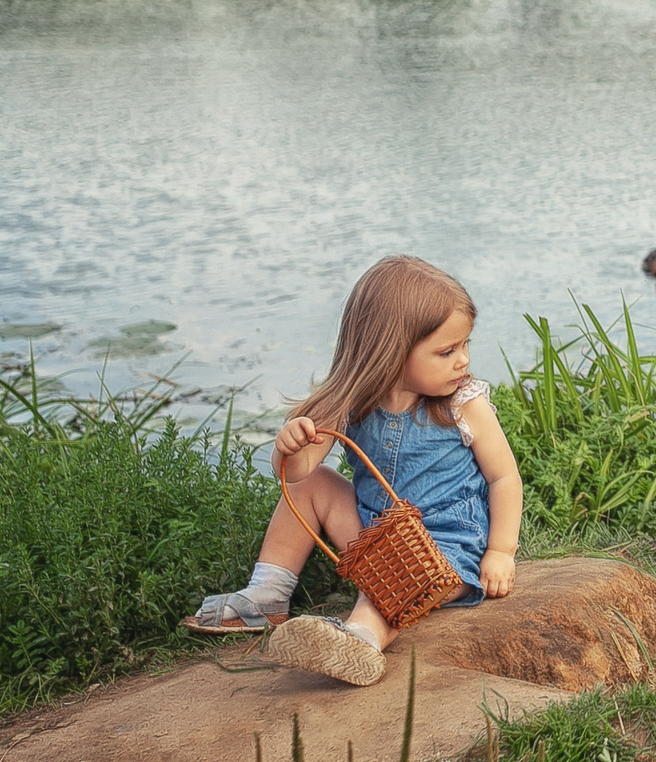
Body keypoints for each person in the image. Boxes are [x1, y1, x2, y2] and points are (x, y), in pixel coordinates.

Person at [185, 255, 522, 686]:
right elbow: (295, 474)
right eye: (447, 351)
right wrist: (291, 447)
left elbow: (504, 478)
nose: (463, 360)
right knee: (314, 483)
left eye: (464, 345)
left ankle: (360, 639)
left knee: (396, 577)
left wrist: (500, 552)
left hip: (445, 552)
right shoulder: (353, 400)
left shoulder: (464, 404)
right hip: (370, 534)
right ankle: (267, 594)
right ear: (390, 351)